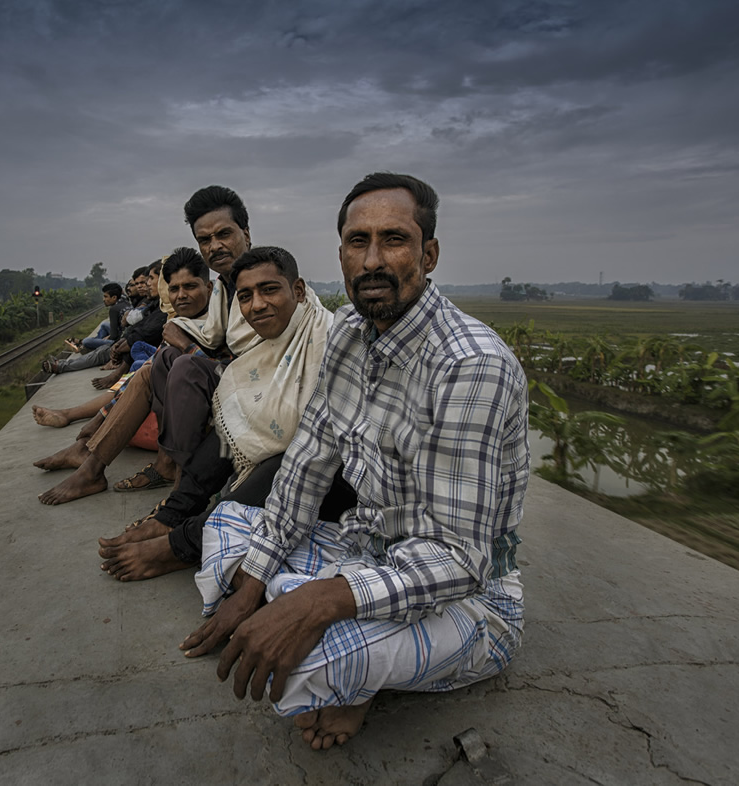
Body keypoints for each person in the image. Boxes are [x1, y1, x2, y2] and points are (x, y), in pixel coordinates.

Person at [179, 173, 530, 751]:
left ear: (429, 253)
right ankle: (312, 622)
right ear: (339, 252)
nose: (372, 260)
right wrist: (254, 580)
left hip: (468, 595)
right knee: (227, 527)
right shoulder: (347, 332)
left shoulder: (469, 366)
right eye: (356, 241)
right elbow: (306, 466)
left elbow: (458, 562)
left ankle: (347, 661)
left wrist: (318, 602)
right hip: (362, 548)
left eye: (393, 239)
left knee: (308, 659)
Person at [98, 246, 352, 582]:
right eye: (245, 296)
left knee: (293, 458)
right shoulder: (268, 343)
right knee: (234, 417)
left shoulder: (328, 338)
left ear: (299, 290)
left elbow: (319, 448)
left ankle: (182, 544)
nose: (257, 304)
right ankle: (175, 511)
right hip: (293, 465)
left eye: (270, 289)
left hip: (337, 481)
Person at [36, 247, 216, 505]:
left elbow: (226, 376)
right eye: (174, 289)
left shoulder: (219, 320)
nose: (181, 295)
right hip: (172, 406)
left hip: (204, 416)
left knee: (154, 364)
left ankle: (94, 460)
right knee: (146, 370)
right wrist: (100, 417)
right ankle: (91, 465)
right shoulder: (177, 321)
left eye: (190, 287)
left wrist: (186, 347)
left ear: (209, 289)